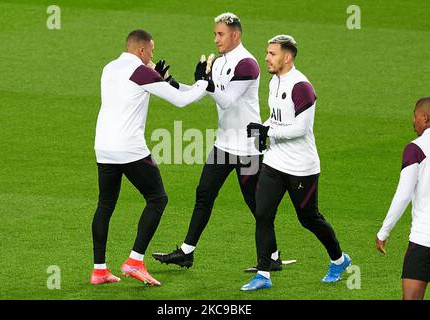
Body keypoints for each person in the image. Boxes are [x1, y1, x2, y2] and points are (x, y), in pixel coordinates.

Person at [152, 12, 283, 272]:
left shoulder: (247, 64)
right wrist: (169, 83)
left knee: (257, 204)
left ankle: (274, 258)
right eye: (215, 34)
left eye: (220, 34)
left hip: (249, 144)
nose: (215, 39)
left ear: (235, 34)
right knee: (204, 194)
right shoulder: (221, 62)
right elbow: (200, 91)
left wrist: (207, 83)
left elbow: (226, 99)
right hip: (224, 143)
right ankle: (186, 253)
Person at [90, 29, 209, 286]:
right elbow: (180, 101)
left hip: (103, 146)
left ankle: (99, 270)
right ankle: (134, 260)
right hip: (129, 148)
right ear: (142, 50)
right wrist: (203, 82)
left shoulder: (109, 67)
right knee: (157, 198)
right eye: (151, 51)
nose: (153, 55)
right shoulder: (141, 71)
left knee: (105, 204)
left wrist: (161, 77)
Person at [241, 34, 351, 291]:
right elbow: (276, 118)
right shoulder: (273, 82)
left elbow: (301, 128)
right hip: (274, 162)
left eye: (272, 53)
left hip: (302, 167)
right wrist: (262, 128)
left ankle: (338, 259)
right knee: (263, 214)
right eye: (267, 53)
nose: (266, 58)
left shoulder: (302, 87)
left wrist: (268, 132)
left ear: (287, 57)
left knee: (309, 218)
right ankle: (263, 275)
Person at [376, 97, 430, 300]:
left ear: (424, 118)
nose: (413, 121)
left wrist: (384, 231)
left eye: (415, 116)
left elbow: (404, 194)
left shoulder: (415, 149)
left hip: (424, 238)